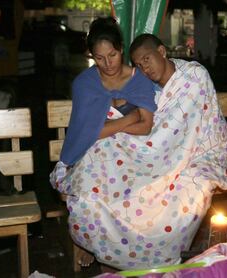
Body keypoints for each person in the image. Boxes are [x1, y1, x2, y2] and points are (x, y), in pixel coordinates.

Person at [51, 31, 227, 271]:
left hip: (195, 151)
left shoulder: (193, 76)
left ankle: (155, 259)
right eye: (139, 64)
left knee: (189, 191)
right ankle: (111, 251)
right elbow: (133, 123)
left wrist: (138, 128)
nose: (145, 68)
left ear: (162, 51)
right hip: (152, 150)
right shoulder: (141, 84)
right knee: (109, 167)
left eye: (147, 60)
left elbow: (182, 126)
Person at [50, 17, 157, 268]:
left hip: (135, 150)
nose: (107, 64)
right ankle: (96, 245)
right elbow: (87, 132)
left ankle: (121, 251)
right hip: (94, 152)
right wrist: (129, 117)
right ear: (91, 55)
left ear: (121, 49)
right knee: (95, 182)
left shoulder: (139, 79)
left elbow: (146, 126)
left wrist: (111, 126)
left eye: (112, 55)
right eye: (99, 58)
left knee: (135, 187)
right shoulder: (85, 83)